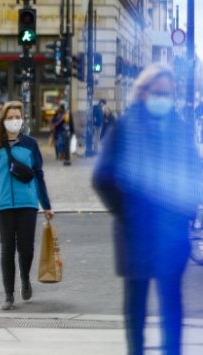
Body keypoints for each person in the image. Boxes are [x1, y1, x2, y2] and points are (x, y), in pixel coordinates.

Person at [93, 64, 201, 355]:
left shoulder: (179, 128)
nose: (163, 98)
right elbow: (102, 177)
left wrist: (187, 212)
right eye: (158, 93)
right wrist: (126, 211)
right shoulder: (125, 128)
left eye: (168, 93)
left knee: (172, 306)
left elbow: (195, 171)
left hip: (171, 234)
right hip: (135, 233)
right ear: (143, 93)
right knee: (136, 307)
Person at [0, 100, 54, 311]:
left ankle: (25, 278)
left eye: (17, 117)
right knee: (7, 248)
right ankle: (9, 295)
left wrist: (46, 205)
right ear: (3, 121)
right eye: (10, 118)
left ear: (22, 120)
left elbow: (38, 175)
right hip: (2, 204)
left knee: (26, 248)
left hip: (27, 203)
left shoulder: (30, 144)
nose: (14, 121)